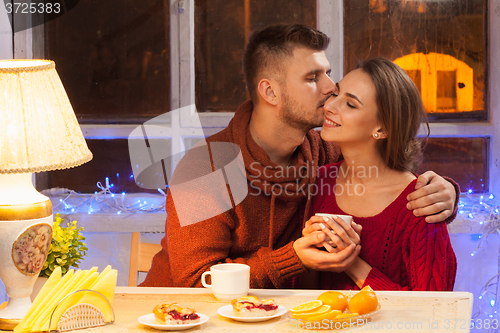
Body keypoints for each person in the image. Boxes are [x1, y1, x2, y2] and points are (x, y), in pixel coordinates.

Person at [141, 24, 458, 289]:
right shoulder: (205, 169)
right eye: (312, 78)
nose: (330, 88)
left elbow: (380, 164)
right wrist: (291, 259)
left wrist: (445, 191)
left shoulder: (324, 152)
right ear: (270, 92)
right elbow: (197, 284)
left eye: (329, 73)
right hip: (178, 316)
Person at [301, 58, 457, 291]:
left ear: (382, 129)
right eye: (336, 94)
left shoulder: (421, 204)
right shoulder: (321, 180)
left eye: (351, 104)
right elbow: (304, 292)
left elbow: (435, 313)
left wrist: (351, 263)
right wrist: (308, 254)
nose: (330, 106)